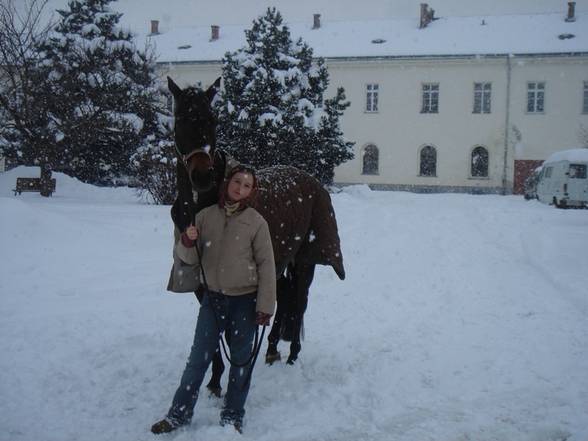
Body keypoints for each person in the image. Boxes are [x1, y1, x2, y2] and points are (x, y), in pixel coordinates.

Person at [151, 165, 276, 434]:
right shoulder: (206, 217)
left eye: (247, 185)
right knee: (198, 360)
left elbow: (267, 266)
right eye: (237, 181)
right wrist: (185, 241)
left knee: (241, 363)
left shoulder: (256, 222)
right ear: (227, 183)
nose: (240, 188)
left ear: (252, 191)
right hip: (213, 301)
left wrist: (265, 306)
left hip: (245, 301)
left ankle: (232, 415)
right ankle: (178, 414)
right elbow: (191, 260)